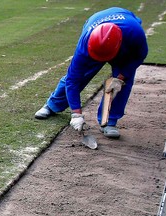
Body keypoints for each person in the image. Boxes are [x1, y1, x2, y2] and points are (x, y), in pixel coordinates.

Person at [35, 7, 148, 139]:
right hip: (96, 30)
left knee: (121, 84)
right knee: (79, 76)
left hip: (124, 45)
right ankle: (52, 105)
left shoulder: (135, 34)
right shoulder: (86, 43)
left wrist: (121, 77)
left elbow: (139, 56)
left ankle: (108, 122)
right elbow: (73, 80)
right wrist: (76, 114)